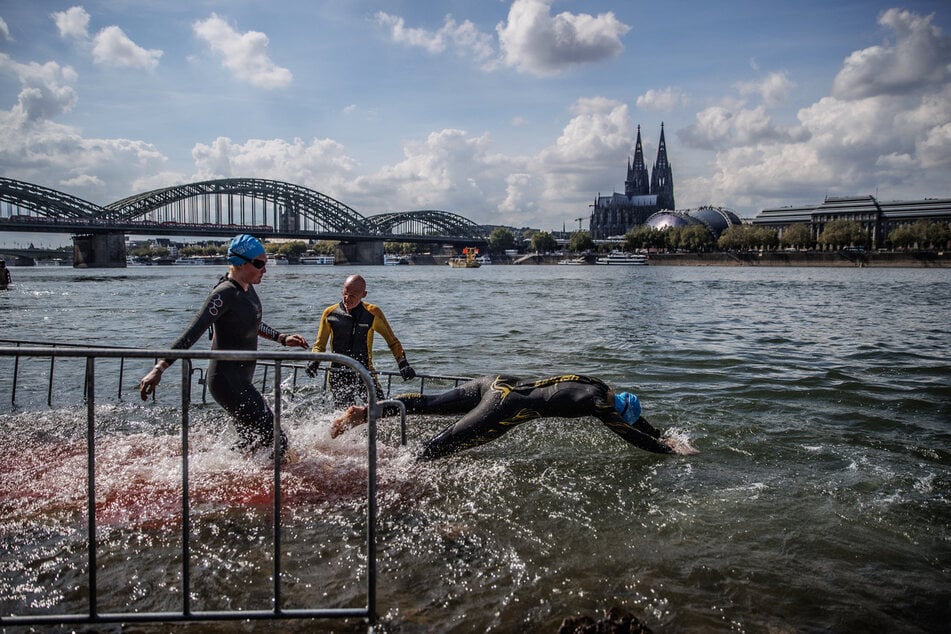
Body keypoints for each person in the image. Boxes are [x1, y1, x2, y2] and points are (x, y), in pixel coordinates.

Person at [138, 234, 308, 457]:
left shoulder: (247, 288)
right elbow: (192, 332)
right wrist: (159, 368)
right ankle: (277, 486)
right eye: (259, 264)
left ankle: (221, 473)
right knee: (277, 440)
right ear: (240, 262)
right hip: (227, 380)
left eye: (265, 263)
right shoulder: (224, 293)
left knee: (251, 441)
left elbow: (252, 321)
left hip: (241, 378)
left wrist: (281, 338)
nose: (264, 270)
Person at [331, 373, 698, 459]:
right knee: (439, 448)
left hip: (497, 383)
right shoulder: (601, 408)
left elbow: (633, 421)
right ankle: (386, 468)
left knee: (431, 402)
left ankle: (367, 413)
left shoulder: (600, 387)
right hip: (507, 408)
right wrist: (668, 451)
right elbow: (630, 433)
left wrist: (661, 433)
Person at [307, 274, 415, 407]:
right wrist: (314, 360)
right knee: (345, 417)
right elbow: (319, 345)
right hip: (338, 374)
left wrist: (402, 362)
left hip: (365, 373)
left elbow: (392, 341)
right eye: (345, 294)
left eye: (352, 296)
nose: (347, 299)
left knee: (380, 411)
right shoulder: (329, 313)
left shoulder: (373, 313)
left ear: (364, 294)